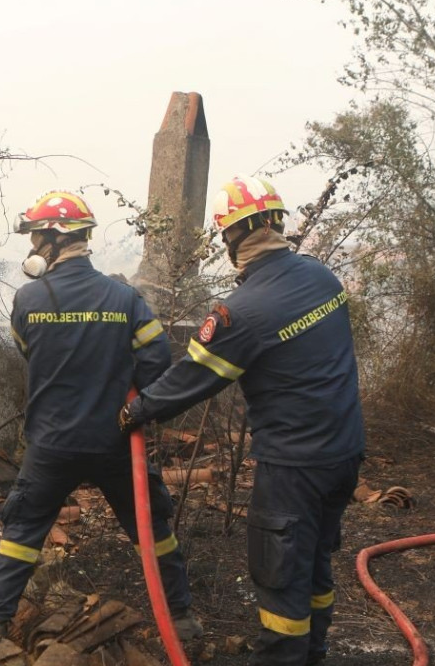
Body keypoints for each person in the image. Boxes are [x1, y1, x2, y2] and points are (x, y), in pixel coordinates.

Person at [123, 176, 365, 666]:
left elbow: (190, 379)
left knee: (280, 579)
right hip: (344, 453)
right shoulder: (321, 277)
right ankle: (313, 654)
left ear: (230, 237)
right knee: (314, 563)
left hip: (293, 466)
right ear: (277, 222)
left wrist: (135, 409)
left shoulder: (242, 311)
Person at [0, 189, 202, 643]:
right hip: (115, 440)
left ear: (55, 239)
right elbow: (157, 366)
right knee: (151, 528)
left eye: (37, 237)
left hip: (50, 443)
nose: (32, 248)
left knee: (22, 532)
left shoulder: (27, 300)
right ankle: (180, 618)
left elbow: (31, 354)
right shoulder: (126, 299)